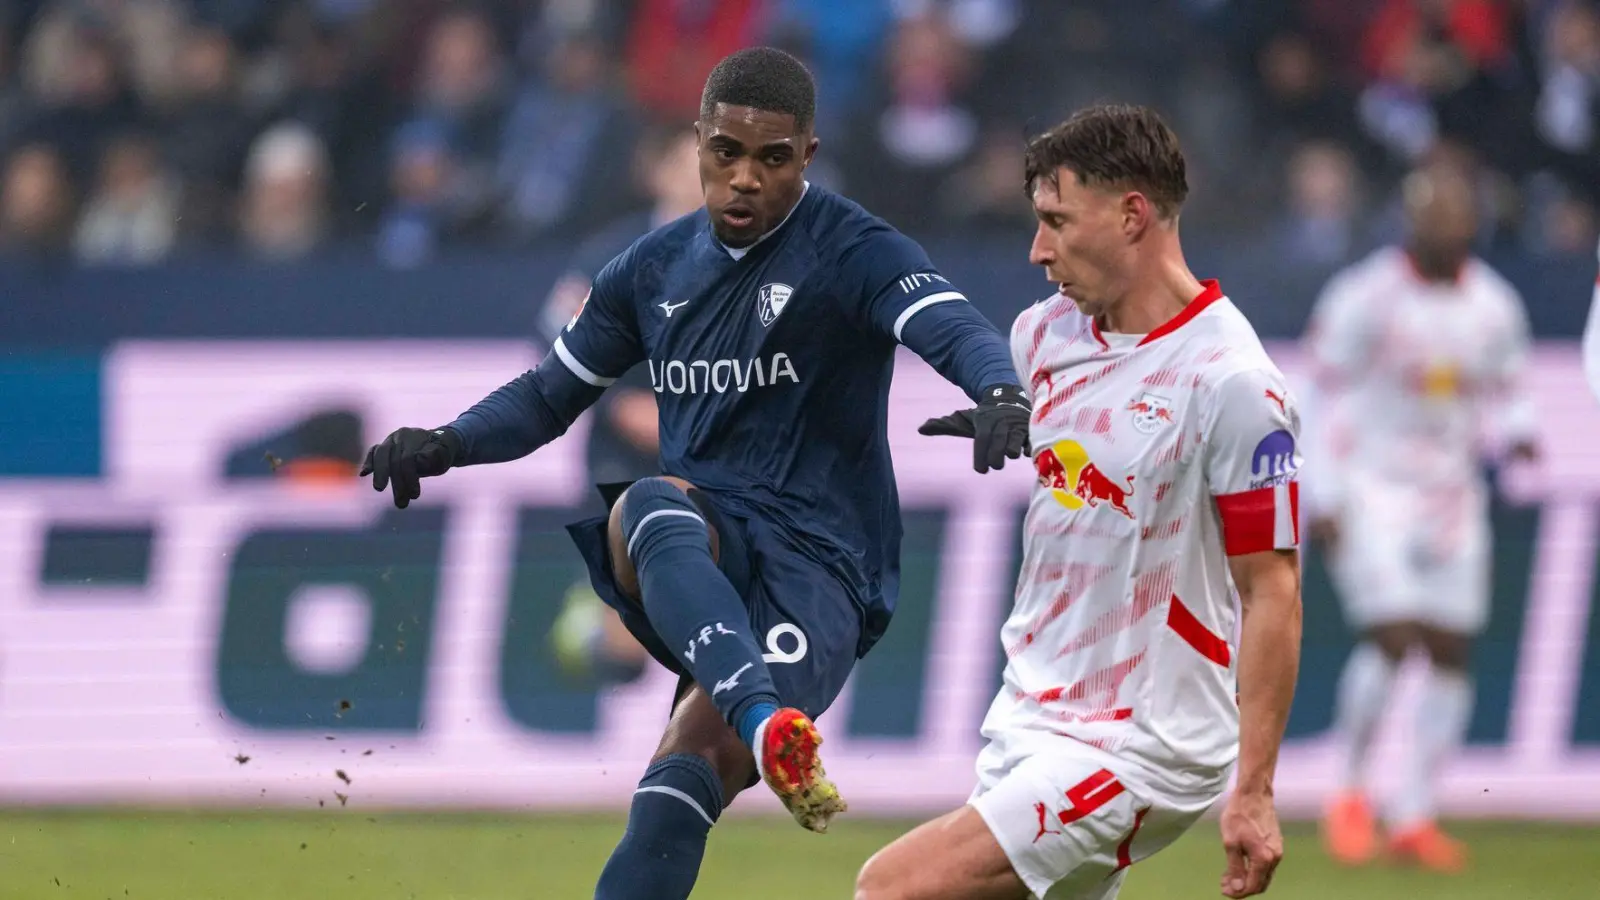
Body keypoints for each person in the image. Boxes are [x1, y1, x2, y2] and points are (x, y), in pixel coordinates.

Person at [360, 47, 1029, 900]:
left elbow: (948, 321)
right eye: (727, 153)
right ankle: (762, 719)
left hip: (822, 568)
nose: (746, 178)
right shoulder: (649, 268)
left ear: (808, 158)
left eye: (773, 158)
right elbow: (547, 396)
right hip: (708, 548)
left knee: (678, 779)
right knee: (650, 513)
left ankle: (753, 720)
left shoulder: (853, 249)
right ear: (699, 143)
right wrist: (446, 443)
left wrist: (1001, 390)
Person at [856, 105, 1303, 900]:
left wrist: (1256, 790)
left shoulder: (1233, 383)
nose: (1038, 250)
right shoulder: (1043, 338)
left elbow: (1271, 588)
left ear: (1132, 213)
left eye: (1057, 221)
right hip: (1030, 713)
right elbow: (1099, 463)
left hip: (1141, 741)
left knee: (893, 889)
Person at [1306, 161, 1538, 872]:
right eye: (1434, 216)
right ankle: (1347, 793)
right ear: (1411, 222)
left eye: (1457, 216)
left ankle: (1413, 813)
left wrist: (1521, 431)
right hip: (1374, 488)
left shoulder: (1495, 305)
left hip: (1453, 496)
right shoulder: (1366, 296)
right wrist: (1323, 491)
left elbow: (1510, 386)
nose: (1447, 228)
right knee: (1392, 633)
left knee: (1450, 647)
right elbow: (1321, 392)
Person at [544, 125, 703, 686]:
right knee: (625, 655)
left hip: (716, 448)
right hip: (626, 449)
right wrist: (618, 403)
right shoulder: (612, 253)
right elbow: (557, 338)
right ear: (659, 173)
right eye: (689, 164)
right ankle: (593, 611)